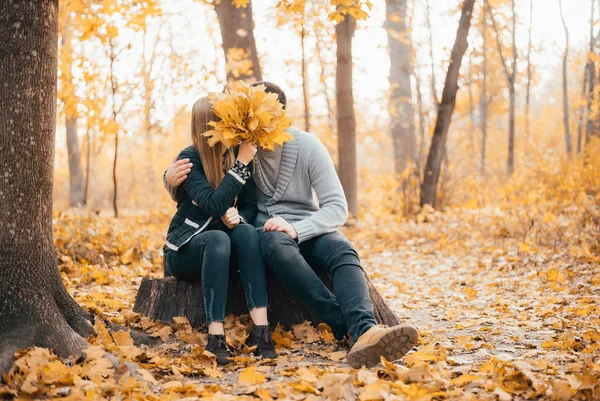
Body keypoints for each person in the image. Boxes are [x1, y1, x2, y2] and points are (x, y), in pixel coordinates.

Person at [165, 83, 418, 369]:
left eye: (264, 120)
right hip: (268, 234)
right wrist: (168, 179)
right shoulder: (241, 150)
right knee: (275, 243)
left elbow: (337, 207)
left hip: (308, 226)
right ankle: (345, 326)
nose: (256, 128)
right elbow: (206, 177)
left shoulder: (308, 146)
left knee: (343, 250)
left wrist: (298, 229)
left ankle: (365, 329)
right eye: (250, 121)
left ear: (281, 119)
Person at [162, 96, 276, 365]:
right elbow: (213, 205)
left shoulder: (236, 152)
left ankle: (262, 332)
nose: (232, 125)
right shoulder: (190, 158)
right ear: (209, 125)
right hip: (186, 251)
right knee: (216, 239)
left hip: (224, 250)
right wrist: (240, 165)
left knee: (247, 232)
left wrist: (239, 216)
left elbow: (249, 205)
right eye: (226, 119)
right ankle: (216, 338)